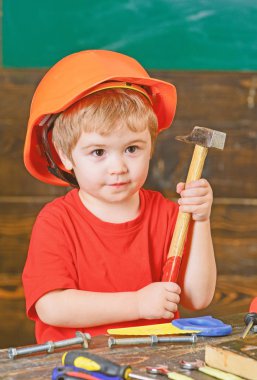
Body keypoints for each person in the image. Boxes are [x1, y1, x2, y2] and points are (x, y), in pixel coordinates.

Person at [22, 50, 216, 343]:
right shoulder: (57, 221)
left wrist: (200, 219)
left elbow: (198, 297)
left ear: (150, 146)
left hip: (155, 362)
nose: (119, 167)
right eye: (98, 152)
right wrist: (137, 304)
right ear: (65, 156)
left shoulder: (166, 215)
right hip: (79, 364)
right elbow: (51, 307)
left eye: (132, 148)